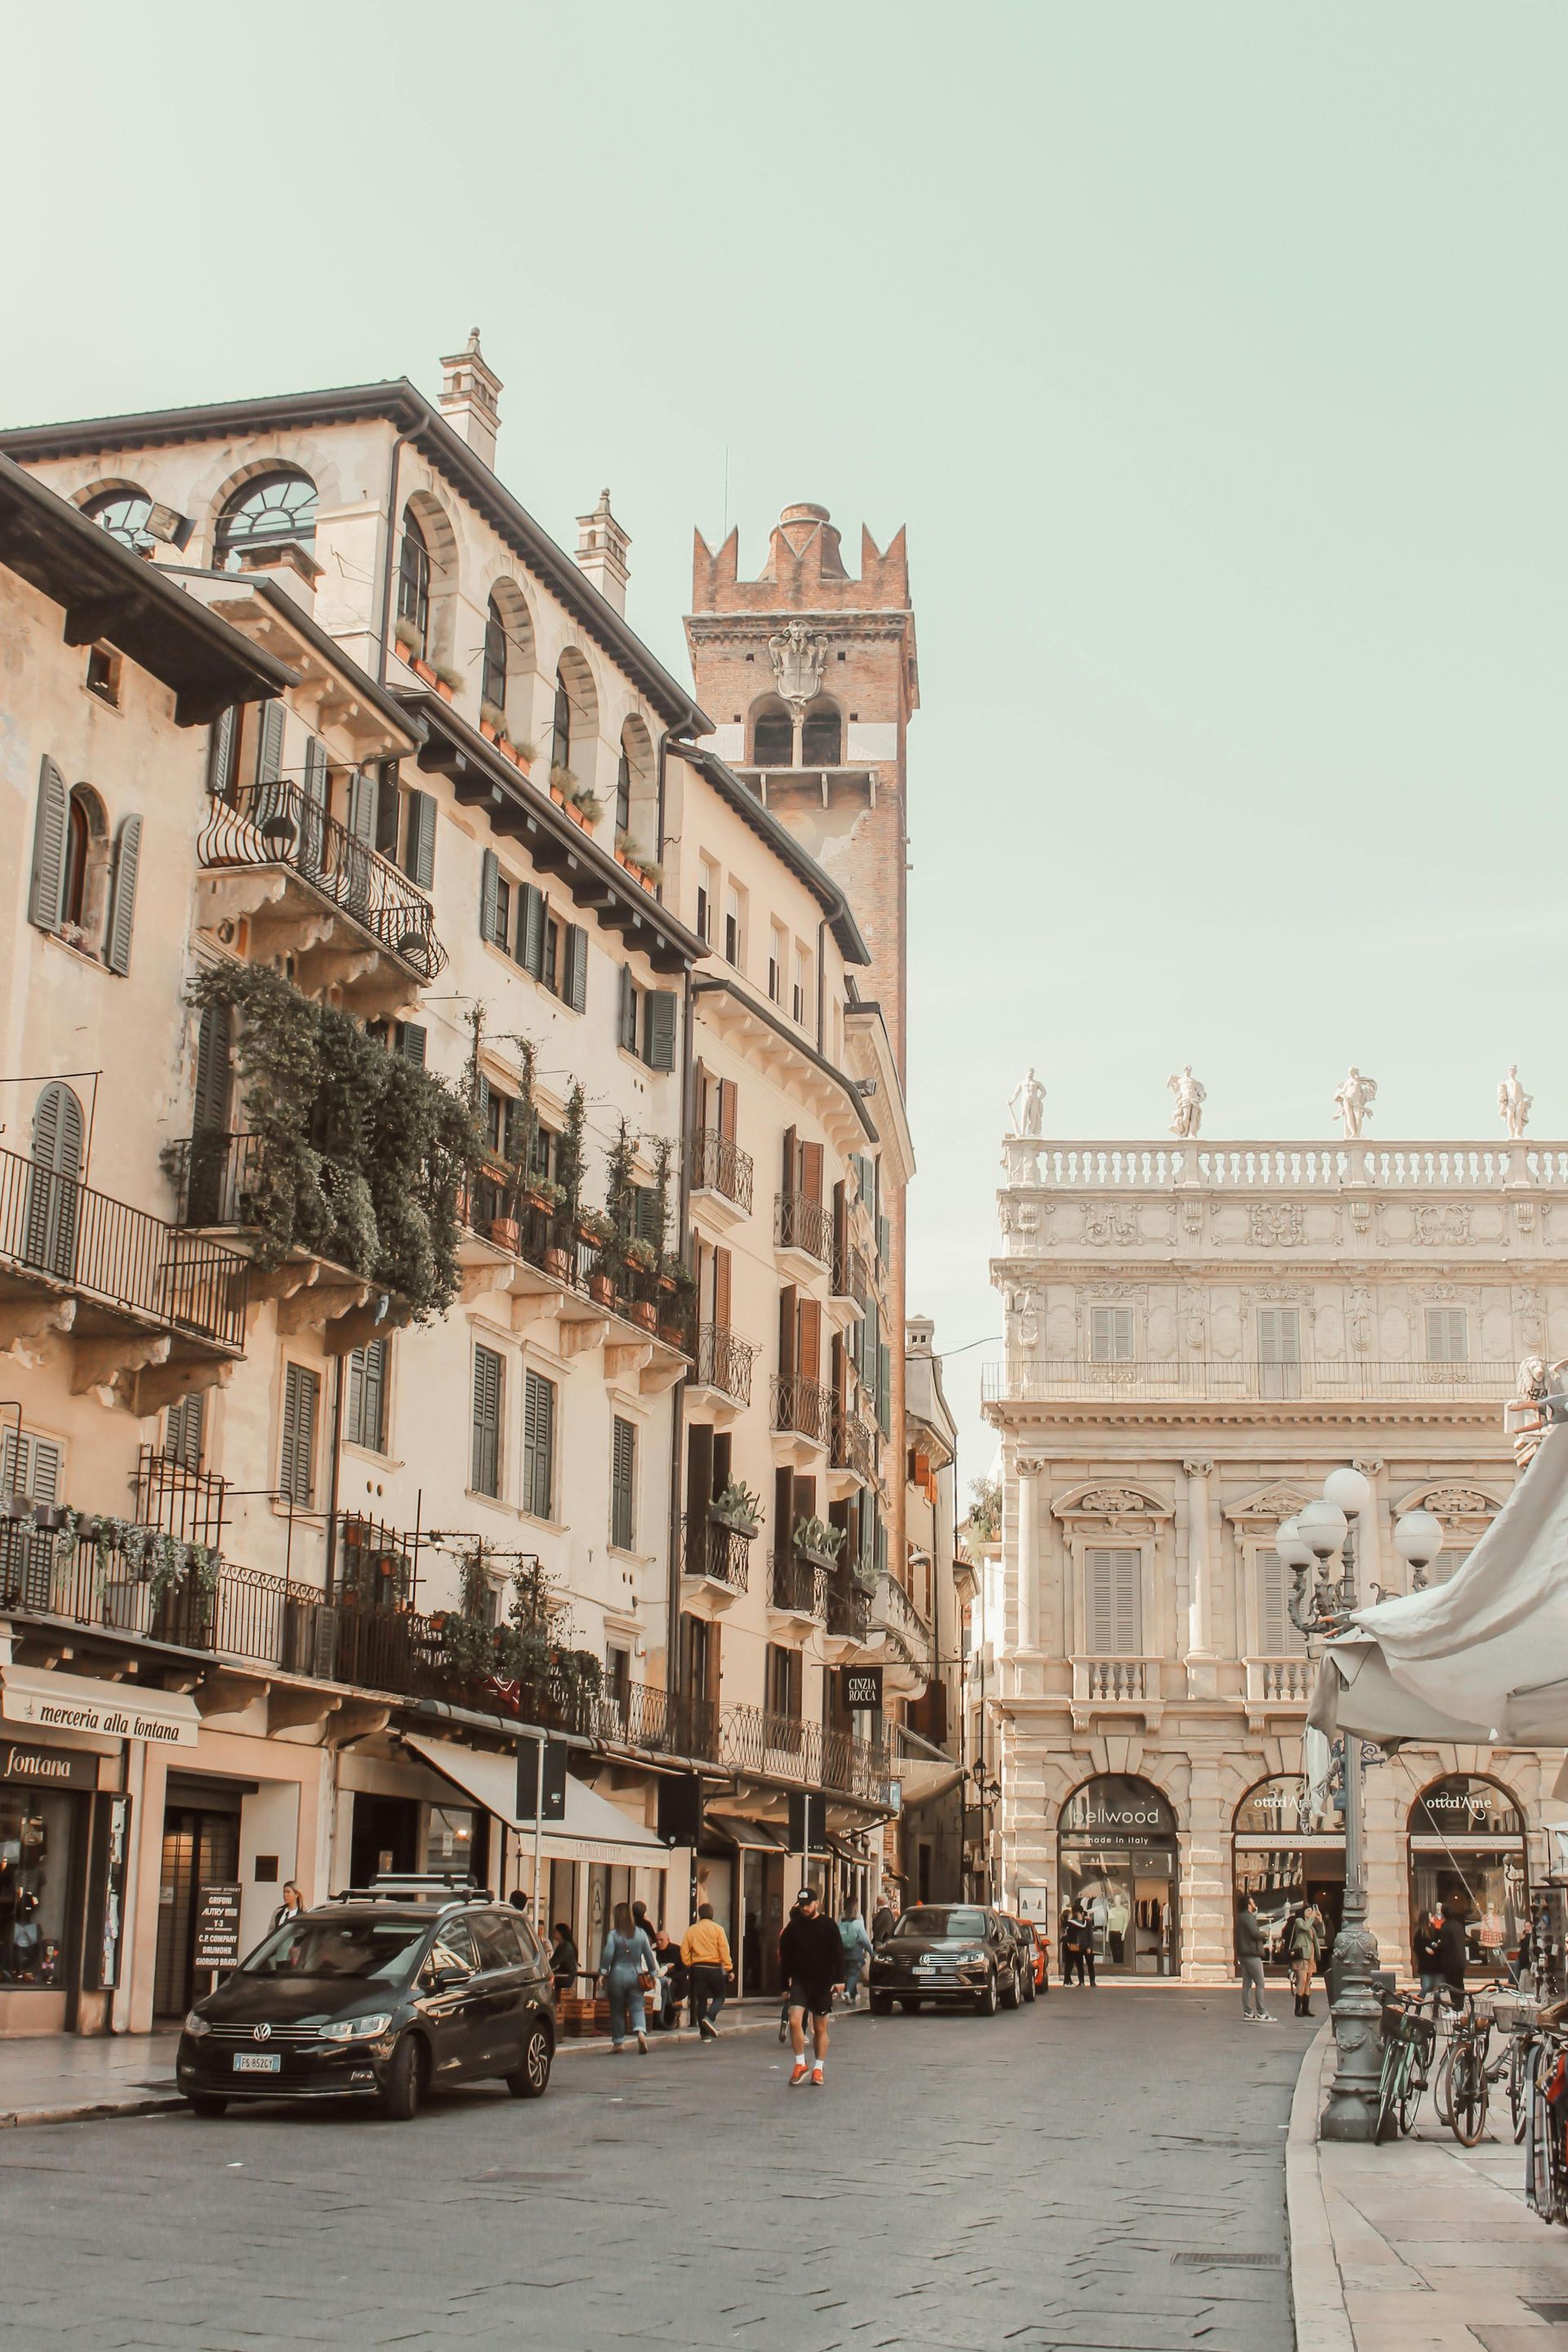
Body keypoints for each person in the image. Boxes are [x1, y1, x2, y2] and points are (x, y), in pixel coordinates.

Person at [780, 1886, 847, 2088]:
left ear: (816, 1903)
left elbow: (838, 1953)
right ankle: (800, 2064)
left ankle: (818, 2067)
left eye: (808, 1904)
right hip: (800, 1981)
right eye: (801, 1905)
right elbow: (785, 1958)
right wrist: (784, 1984)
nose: (805, 1908)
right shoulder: (793, 1928)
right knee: (793, 2021)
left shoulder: (828, 1926)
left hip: (822, 1983)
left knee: (819, 2028)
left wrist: (839, 1979)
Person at [599, 1901, 657, 2055]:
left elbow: (607, 1954)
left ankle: (618, 2042)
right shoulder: (640, 1933)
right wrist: (653, 1973)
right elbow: (649, 1955)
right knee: (637, 2005)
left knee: (617, 2009)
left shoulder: (613, 1934)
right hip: (636, 1974)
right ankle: (640, 2032)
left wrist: (603, 1972)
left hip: (617, 1974)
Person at [681, 1903, 733, 2040]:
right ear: (712, 1914)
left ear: (699, 1914)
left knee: (701, 2000)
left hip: (698, 1967)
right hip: (714, 1967)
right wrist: (729, 1968)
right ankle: (709, 2019)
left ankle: (704, 2034)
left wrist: (689, 1963)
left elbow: (684, 1950)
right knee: (720, 1996)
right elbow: (724, 1949)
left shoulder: (691, 1930)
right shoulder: (718, 1929)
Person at [1236, 1895, 1275, 2024]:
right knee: (1260, 1982)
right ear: (1249, 1904)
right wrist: (1263, 1934)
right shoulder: (1249, 1917)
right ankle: (1261, 2012)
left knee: (1247, 1984)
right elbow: (1254, 1933)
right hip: (1252, 1954)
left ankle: (1247, 2011)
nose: (1254, 1903)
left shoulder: (1240, 1917)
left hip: (1244, 1954)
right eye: (1252, 1901)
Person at [1285, 1903, 1322, 2017]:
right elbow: (1304, 1927)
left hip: (1311, 1955)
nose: (1311, 1913)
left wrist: (1320, 1920)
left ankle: (1306, 2008)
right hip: (1302, 1955)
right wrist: (1311, 1918)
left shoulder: (1311, 1925)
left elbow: (1321, 1933)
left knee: (1308, 1981)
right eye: (1308, 1911)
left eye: (1311, 1911)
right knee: (1302, 1980)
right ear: (1303, 1913)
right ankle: (1298, 2009)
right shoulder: (1299, 1921)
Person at [1436, 1899, 1470, 2010]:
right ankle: (1460, 2008)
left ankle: (1456, 2008)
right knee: (1460, 1984)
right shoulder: (1458, 1925)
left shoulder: (1446, 1926)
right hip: (1461, 1960)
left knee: (1452, 1985)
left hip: (1451, 1962)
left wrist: (1437, 1946)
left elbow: (1444, 1944)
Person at [837, 1903, 873, 2006]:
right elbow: (865, 1940)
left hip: (843, 1953)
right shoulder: (858, 1924)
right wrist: (871, 1953)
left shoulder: (840, 1925)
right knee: (854, 1974)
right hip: (855, 1954)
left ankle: (853, 1994)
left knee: (848, 1974)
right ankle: (847, 1992)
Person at [653, 1924, 687, 2029]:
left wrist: (672, 1978)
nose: (659, 1943)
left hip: (677, 1981)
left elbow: (685, 1969)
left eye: (661, 1940)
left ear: (668, 1940)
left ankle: (663, 2018)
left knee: (667, 1986)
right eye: (657, 1940)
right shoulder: (654, 1952)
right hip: (659, 1980)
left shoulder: (678, 1951)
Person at [1414, 1907, 1444, 1998]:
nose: (1433, 1918)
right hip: (1426, 1965)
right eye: (1431, 1916)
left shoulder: (1435, 1930)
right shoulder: (1420, 1932)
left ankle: (1436, 2009)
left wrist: (1437, 1946)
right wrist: (1425, 1949)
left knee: (1437, 1989)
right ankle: (1418, 2005)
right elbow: (1417, 1947)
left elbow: (1440, 1943)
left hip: (1437, 1965)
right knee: (1426, 1986)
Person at [549, 1920, 579, 1996]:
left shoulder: (566, 1946)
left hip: (566, 1976)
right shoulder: (562, 1945)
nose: (553, 1933)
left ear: (560, 1933)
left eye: (555, 1931)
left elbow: (553, 1963)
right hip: (562, 1973)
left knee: (546, 1981)